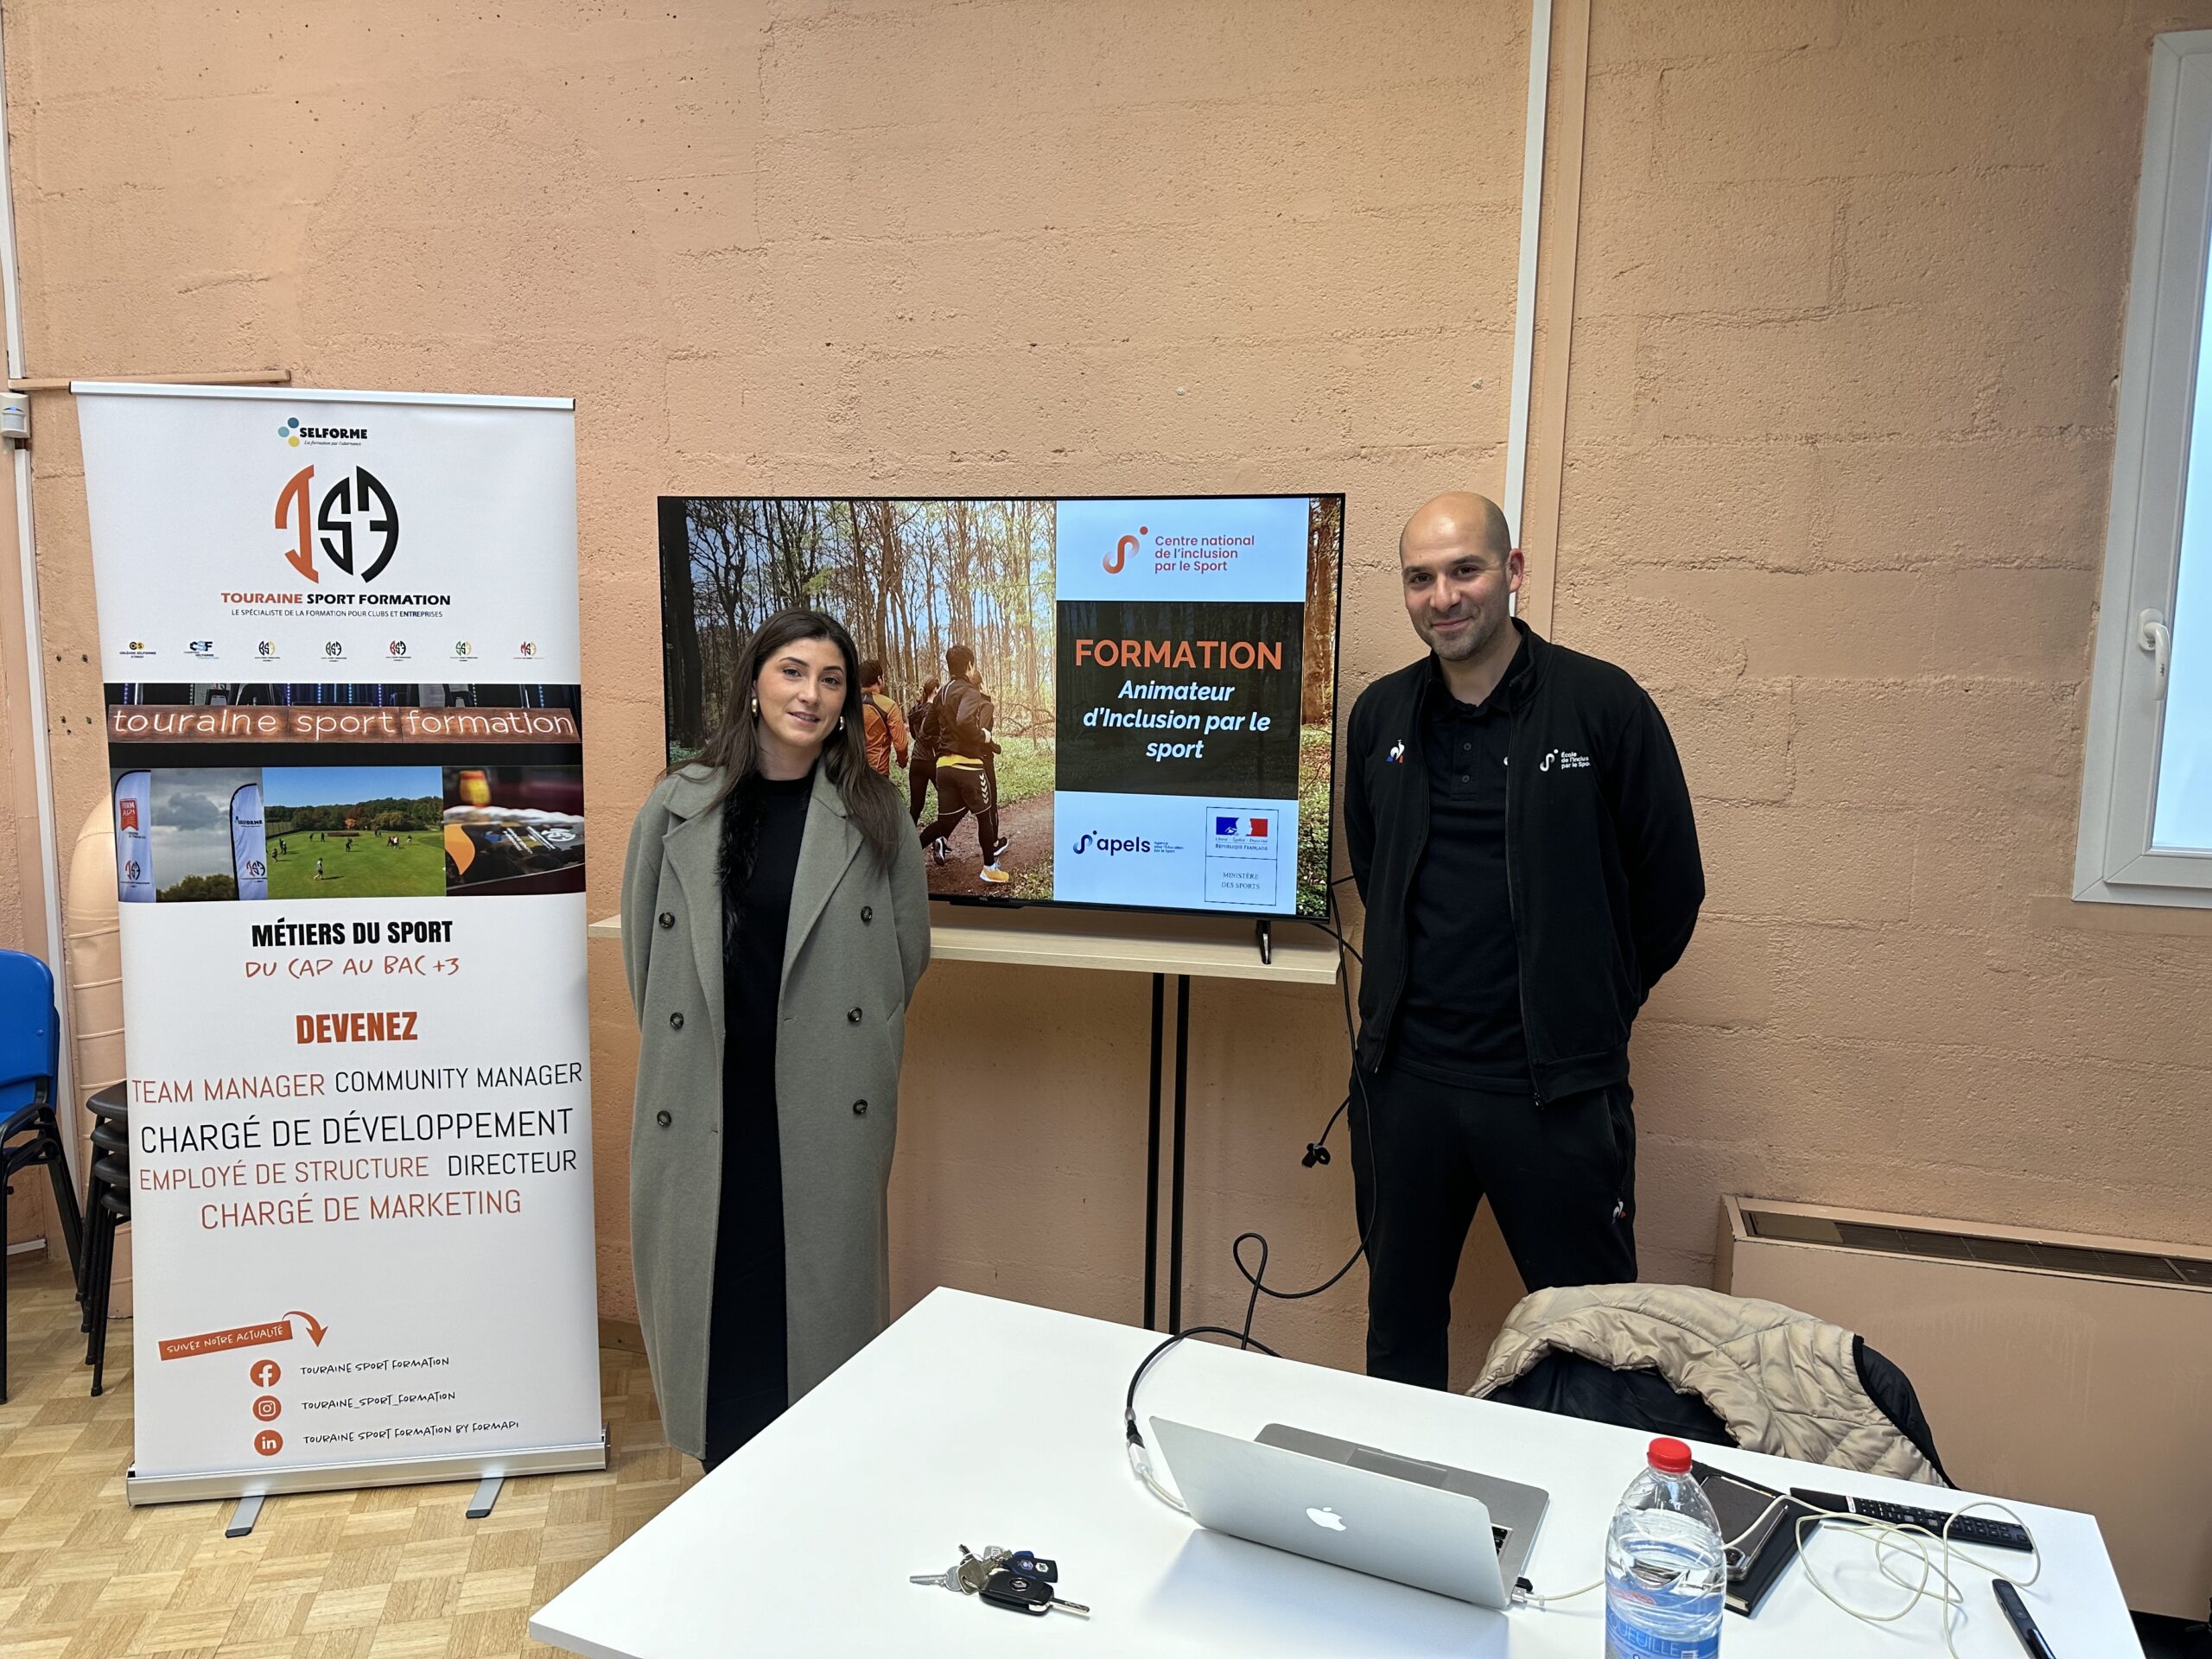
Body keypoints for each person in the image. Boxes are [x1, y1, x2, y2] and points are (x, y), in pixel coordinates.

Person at [1344, 490, 1703, 1390]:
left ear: (1511, 572)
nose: (1443, 596)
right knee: (1399, 1331)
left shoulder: (1601, 706)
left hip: (1550, 1092)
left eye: (1464, 569)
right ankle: (1403, 1519)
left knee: (1593, 1343)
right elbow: (1372, 854)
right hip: (1407, 1086)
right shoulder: (1382, 717)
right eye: (1420, 578)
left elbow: (1670, 889)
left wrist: (1592, 1001)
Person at [623, 607, 931, 1470]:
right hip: (708, 1095)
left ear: (847, 702)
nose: (812, 694)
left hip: (823, 1096)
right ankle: (723, 1474)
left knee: (817, 1300)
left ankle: (810, 1478)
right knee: (717, 1293)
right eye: (793, 671)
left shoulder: (875, 814)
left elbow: (904, 958)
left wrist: (837, 1041)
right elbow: (648, 963)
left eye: (832, 680)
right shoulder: (676, 804)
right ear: (755, 684)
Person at [914, 644, 1011, 884]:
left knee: (945, 822)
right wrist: (983, 737)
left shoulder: (942, 694)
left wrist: (947, 743)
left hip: (944, 767)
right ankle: (990, 868)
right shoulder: (970, 691)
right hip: (969, 766)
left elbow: (926, 733)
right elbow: (966, 722)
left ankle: (904, 856)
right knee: (985, 815)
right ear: (969, 666)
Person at [855, 658, 910, 779]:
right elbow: (901, 745)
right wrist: (902, 762)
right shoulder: (889, 706)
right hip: (878, 772)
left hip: (852, 773)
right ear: (879, 679)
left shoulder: (848, 705)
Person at [906, 677, 940, 823]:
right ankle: (938, 838)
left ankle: (905, 841)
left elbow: (916, 736)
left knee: (916, 806)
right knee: (947, 801)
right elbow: (925, 735)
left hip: (916, 761)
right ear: (936, 690)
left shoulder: (917, 709)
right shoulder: (933, 709)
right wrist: (941, 742)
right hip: (930, 761)